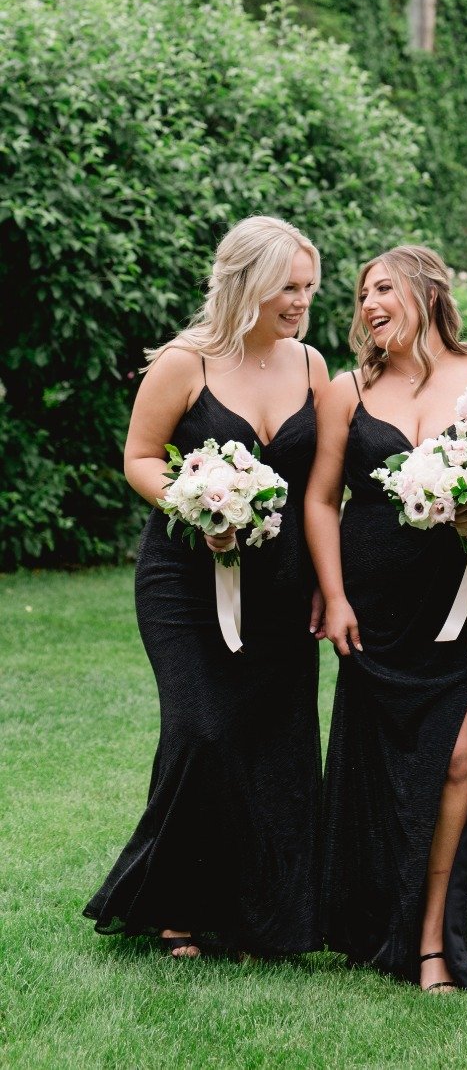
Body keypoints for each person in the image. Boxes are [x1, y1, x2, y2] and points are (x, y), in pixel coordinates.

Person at [85, 215, 328, 958]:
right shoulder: (186, 362)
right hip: (185, 577)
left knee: (274, 742)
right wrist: (195, 502)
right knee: (203, 730)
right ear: (246, 282)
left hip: (281, 585)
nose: (300, 301)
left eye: (309, 287)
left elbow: (320, 485)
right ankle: (173, 901)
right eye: (287, 286)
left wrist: (325, 580)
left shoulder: (313, 364)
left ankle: (263, 915)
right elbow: (139, 455)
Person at [306, 246, 467, 992]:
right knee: (386, 763)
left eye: (383, 287)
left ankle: (433, 939)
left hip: (465, 598)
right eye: (363, 293)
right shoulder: (347, 389)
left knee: (458, 755)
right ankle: (379, 920)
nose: (368, 304)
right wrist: (334, 596)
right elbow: (321, 498)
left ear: (427, 292)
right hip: (375, 602)